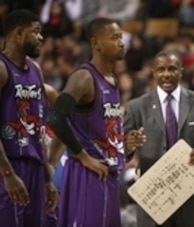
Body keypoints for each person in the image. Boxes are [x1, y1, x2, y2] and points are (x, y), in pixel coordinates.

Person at [124, 50, 194, 227]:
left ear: (181, 71)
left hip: (192, 197)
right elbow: (122, 151)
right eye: (161, 70)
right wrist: (129, 146)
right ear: (153, 73)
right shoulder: (136, 107)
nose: (166, 74)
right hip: (153, 199)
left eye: (172, 69)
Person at [48, 17, 125, 227]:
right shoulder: (84, 77)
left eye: (121, 37)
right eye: (115, 37)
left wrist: (127, 144)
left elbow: (100, 129)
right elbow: (56, 116)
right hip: (89, 174)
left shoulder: (112, 79)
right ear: (96, 43)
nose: (122, 42)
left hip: (108, 173)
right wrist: (82, 156)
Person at [0, 9, 58, 227]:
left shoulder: (36, 70)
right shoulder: (2, 69)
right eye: (36, 32)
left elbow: (39, 129)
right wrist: (7, 174)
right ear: (18, 33)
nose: (41, 37)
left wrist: (46, 178)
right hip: (9, 165)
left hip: (34, 167)